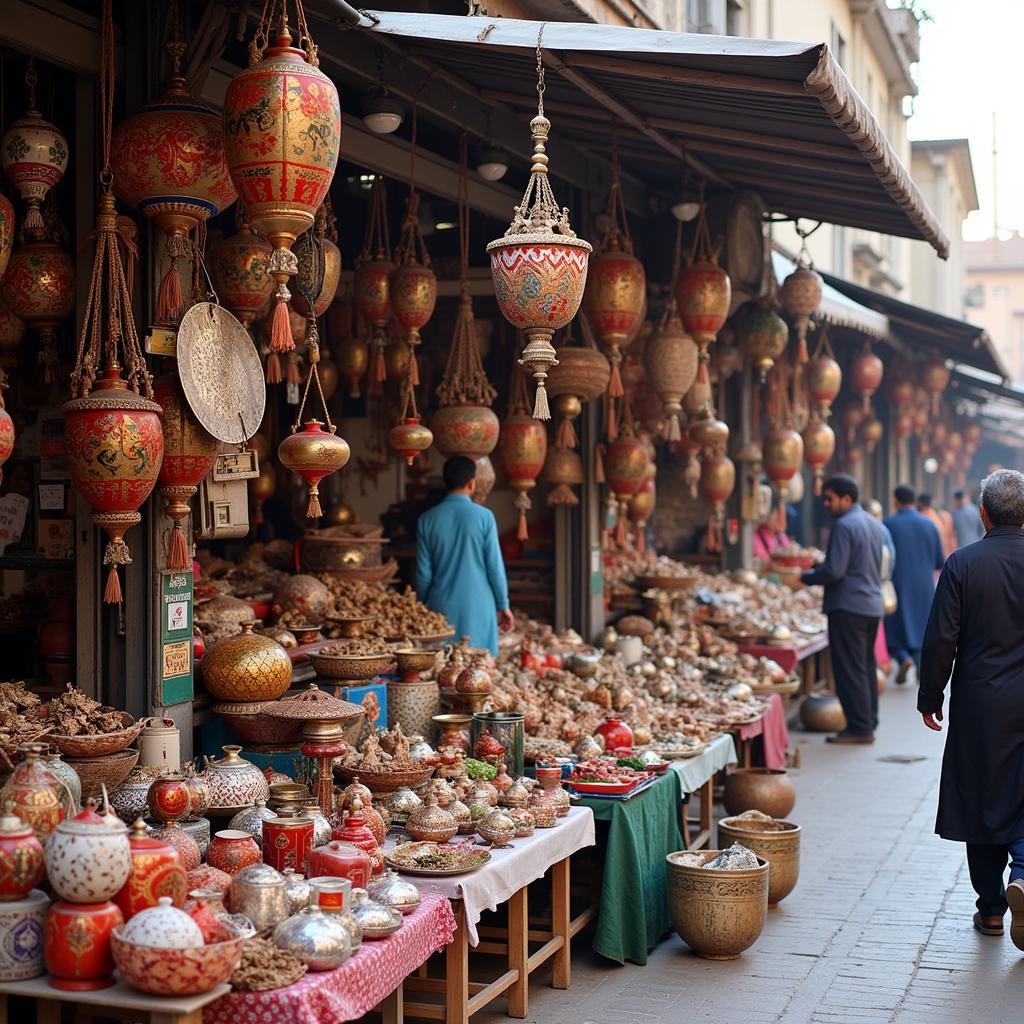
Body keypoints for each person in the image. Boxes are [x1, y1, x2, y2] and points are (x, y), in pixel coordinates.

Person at [919, 469, 1024, 945]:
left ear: (983, 513)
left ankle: (990, 909)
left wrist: (929, 696)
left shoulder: (962, 563)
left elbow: (942, 638)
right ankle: (1022, 873)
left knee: (984, 793)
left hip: (981, 702)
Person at [801, 474, 886, 744]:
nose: (826, 504)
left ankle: (859, 728)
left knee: (850, 668)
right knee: (864, 665)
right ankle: (868, 721)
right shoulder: (872, 523)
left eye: (830, 499)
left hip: (849, 606)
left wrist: (806, 576)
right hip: (871, 604)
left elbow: (835, 570)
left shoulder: (844, 525)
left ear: (846, 498)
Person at [415, 456, 514, 655]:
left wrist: (421, 604)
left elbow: (423, 573)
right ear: (471, 483)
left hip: (440, 608)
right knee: (478, 673)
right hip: (479, 607)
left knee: (441, 671)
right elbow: (495, 567)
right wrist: (503, 605)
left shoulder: (427, 519)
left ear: (446, 482)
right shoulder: (485, 517)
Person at [885, 486, 944, 685]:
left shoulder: (889, 524)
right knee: (921, 626)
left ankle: (903, 657)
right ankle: (919, 663)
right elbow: (939, 560)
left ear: (896, 501)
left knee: (894, 626)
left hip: (897, 583)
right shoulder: (929, 524)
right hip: (923, 586)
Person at [918, 492, 955, 558]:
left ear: (919, 504)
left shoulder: (921, 519)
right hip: (944, 556)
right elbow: (951, 537)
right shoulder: (943, 516)